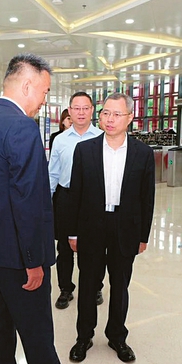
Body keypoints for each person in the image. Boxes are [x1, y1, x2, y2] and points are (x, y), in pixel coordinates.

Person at [0, 53, 106, 364]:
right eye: (44, 91)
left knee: (1, 326)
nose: (45, 99)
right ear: (27, 85)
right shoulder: (21, 127)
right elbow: (27, 201)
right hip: (18, 254)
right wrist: (33, 260)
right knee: (38, 333)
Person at [66, 93, 155, 363]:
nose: (110, 119)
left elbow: (147, 198)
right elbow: (75, 194)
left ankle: (117, 336)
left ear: (130, 118)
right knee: (88, 284)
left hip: (125, 227)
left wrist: (143, 236)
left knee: (120, 285)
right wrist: (72, 232)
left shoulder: (142, 153)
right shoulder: (85, 150)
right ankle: (84, 337)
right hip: (92, 226)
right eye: (105, 113)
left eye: (117, 114)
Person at [48, 92, 103, 310]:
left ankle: (95, 286)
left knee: (95, 246)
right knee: (64, 247)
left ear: (92, 111)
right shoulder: (60, 140)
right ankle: (66, 288)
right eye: (76, 108)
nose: (81, 112)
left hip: (93, 199)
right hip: (66, 197)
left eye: (85, 108)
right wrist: (47, 200)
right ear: (69, 111)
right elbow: (53, 173)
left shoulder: (102, 137)